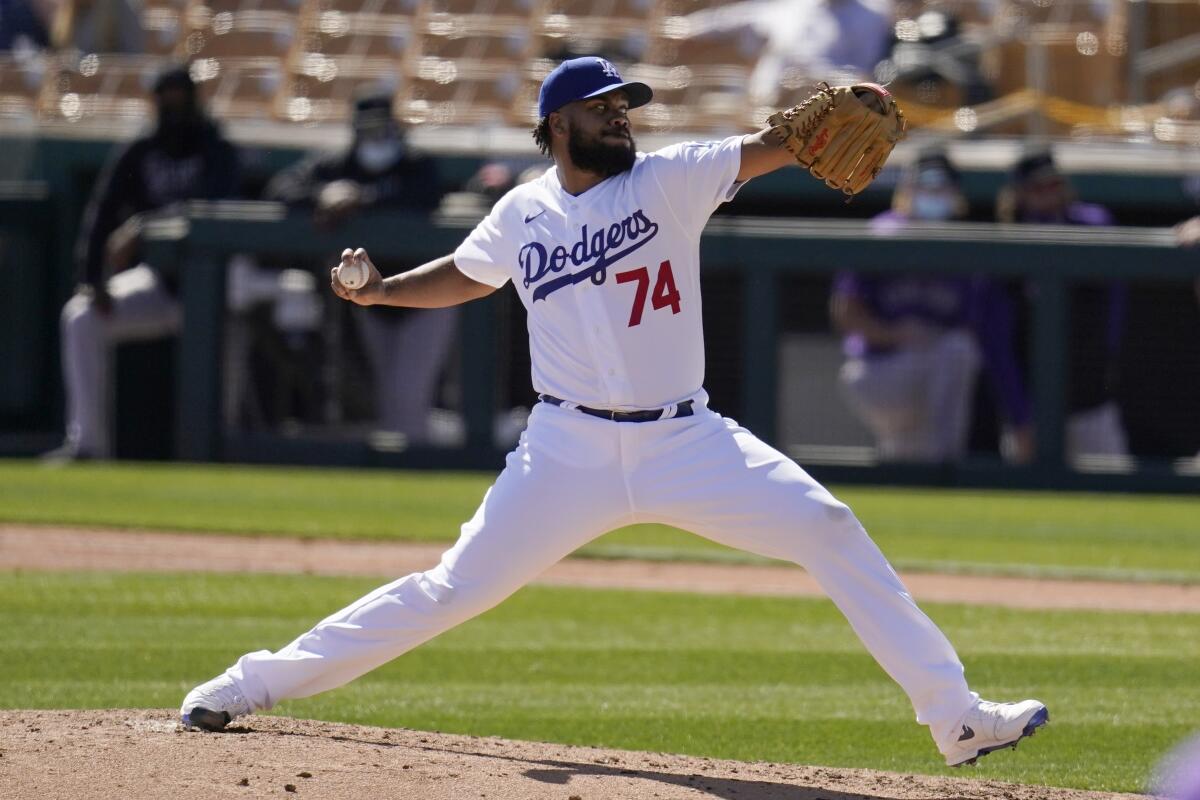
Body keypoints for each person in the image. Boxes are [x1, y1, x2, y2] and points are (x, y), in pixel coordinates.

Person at [181, 56, 1048, 769]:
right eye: (605, 108)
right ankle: (250, 684)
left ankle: (956, 717)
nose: (624, 117)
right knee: (451, 589)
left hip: (687, 438)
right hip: (566, 448)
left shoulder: (672, 178)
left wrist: (807, 126)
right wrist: (379, 294)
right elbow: (467, 272)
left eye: (627, 105)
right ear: (559, 124)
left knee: (826, 525)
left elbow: (767, 145)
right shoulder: (521, 211)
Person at [46, 65, 239, 461]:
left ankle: (229, 446)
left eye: (178, 97)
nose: (171, 106)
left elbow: (213, 208)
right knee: (81, 317)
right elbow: (100, 216)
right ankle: (87, 446)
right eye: (164, 97)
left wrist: (144, 227)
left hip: (218, 287)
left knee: (237, 336)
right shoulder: (141, 150)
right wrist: (92, 279)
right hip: (158, 284)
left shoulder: (216, 148)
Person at [265, 88, 457, 445]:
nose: (374, 136)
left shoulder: (415, 164)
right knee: (388, 398)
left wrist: (361, 198)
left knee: (408, 398)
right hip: (372, 299)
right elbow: (281, 188)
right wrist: (325, 194)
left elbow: (425, 196)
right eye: (367, 128)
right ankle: (401, 478)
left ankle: (415, 472)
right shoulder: (340, 165)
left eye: (381, 127)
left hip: (423, 295)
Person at [833, 149, 1034, 463]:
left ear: (956, 195)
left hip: (932, 366)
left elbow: (991, 339)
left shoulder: (966, 251)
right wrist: (894, 334)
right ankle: (941, 463)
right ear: (907, 190)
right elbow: (845, 311)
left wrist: (1019, 418)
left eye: (942, 187)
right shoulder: (883, 234)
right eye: (925, 185)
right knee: (952, 354)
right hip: (880, 368)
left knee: (958, 351)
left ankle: (931, 466)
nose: (933, 193)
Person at [997, 149, 1129, 460]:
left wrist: (1107, 356)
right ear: (1019, 193)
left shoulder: (1091, 225)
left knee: (1113, 492)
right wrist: (1020, 416)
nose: (1047, 194)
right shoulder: (1005, 247)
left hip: (1090, 398)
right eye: (1037, 187)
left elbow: (1115, 303)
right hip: (1032, 406)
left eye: (1053, 185)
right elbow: (997, 343)